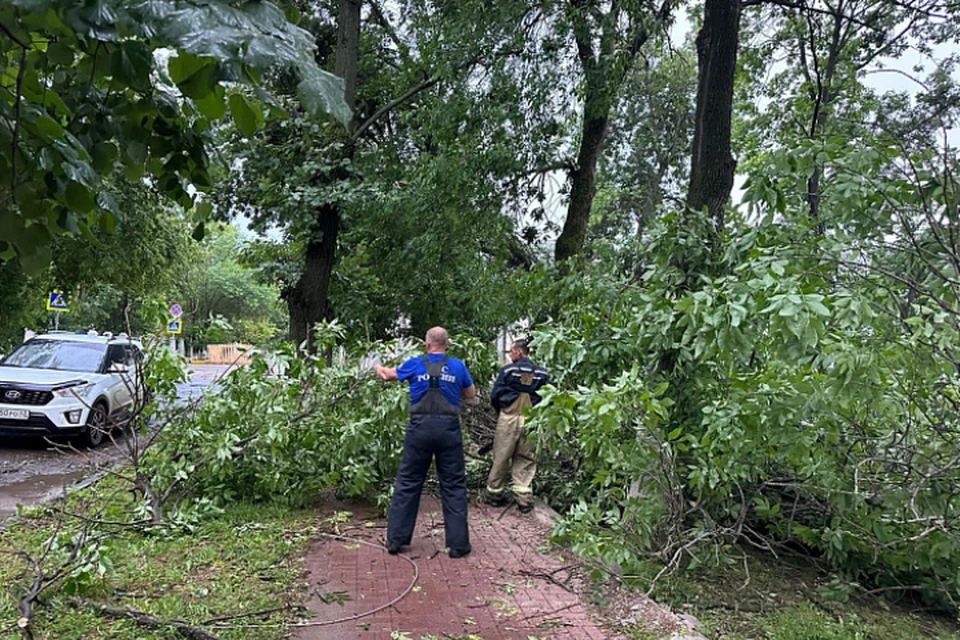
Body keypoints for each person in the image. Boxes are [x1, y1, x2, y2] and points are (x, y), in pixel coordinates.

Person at [374, 326, 477, 558]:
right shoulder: (458, 366)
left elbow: (387, 375)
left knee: (408, 482)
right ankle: (458, 545)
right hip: (448, 430)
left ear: (427, 344)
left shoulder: (415, 364)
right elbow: (471, 394)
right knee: (453, 485)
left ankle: (396, 541)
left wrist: (378, 367)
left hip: (419, 430)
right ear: (447, 344)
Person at [485, 339, 550, 514]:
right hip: (531, 420)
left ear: (519, 352)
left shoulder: (508, 371)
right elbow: (548, 398)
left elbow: (495, 394)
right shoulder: (542, 373)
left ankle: (494, 496)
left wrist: (502, 410)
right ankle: (524, 501)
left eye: (511, 352)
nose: (510, 355)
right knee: (526, 459)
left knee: (501, 456)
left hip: (509, 418)